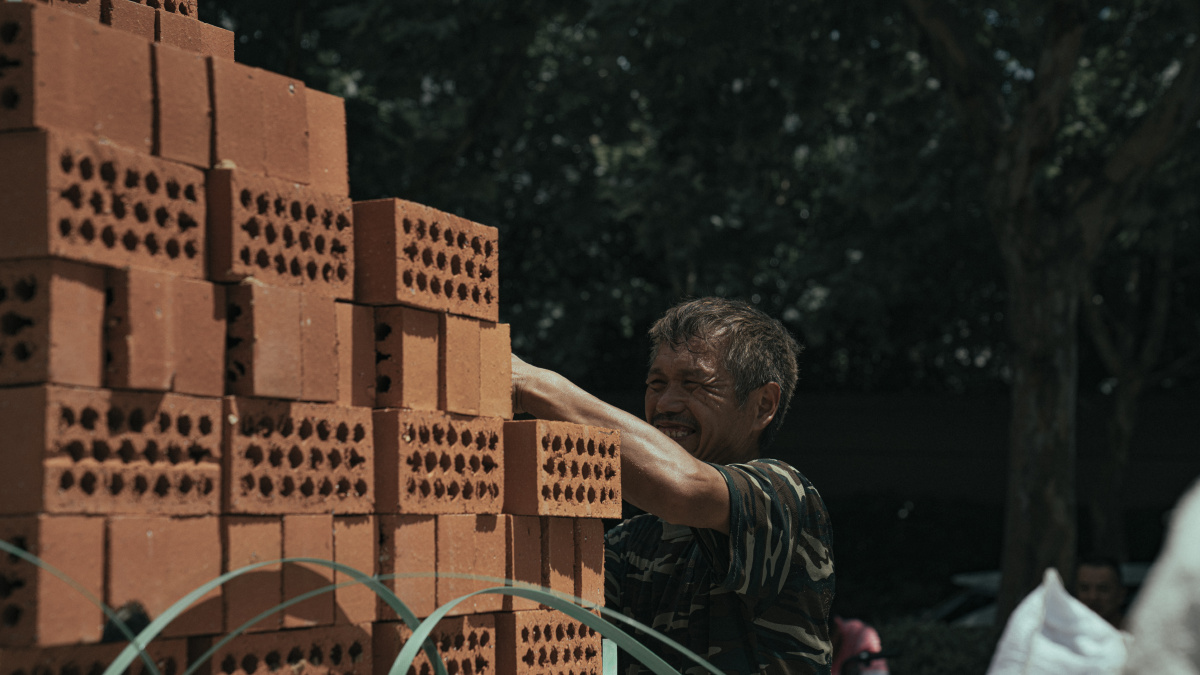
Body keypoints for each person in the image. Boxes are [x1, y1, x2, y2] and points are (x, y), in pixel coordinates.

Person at [511, 297, 835, 674]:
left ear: (763, 404)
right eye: (656, 384)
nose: (665, 403)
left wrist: (534, 385)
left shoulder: (785, 496)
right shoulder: (632, 542)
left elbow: (681, 487)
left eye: (694, 384)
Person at [1073, 556, 1127, 629]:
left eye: (1103, 589)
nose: (1093, 597)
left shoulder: (1137, 635)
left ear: (1121, 595)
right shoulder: (1063, 634)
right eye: (1084, 589)